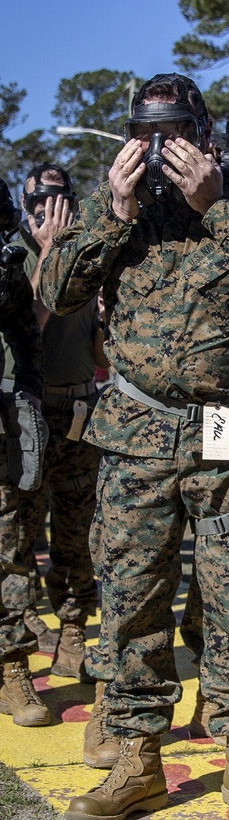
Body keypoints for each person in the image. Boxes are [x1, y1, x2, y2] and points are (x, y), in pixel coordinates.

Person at [39, 73, 229, 820]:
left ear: (203, 133)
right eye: (147, 133)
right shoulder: (120, 210)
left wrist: (216, 207)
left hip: (225, 433)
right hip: (137, 436)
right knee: (133, 596)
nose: (160, 147)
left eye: (174, 132)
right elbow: (58, 291)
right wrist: (114, 210)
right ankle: (138, 752)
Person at [7, 164, 104, 680]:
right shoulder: (16, 259)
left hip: (80, 409)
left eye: (58, 200)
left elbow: (98, 350)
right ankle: (18, 639)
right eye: (37, 202)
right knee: (20, 534)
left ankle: (72, 633)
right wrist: (47, 257)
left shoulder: (86, 257)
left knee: (76, 533)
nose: (48, 210)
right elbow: (30, 326)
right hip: (29, 414)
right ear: (24, 206)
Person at [0, 180, 47, 725]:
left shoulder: (7, 263)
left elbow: (23, 331)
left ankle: (13, 668)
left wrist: (29, 388)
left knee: (8, 547)